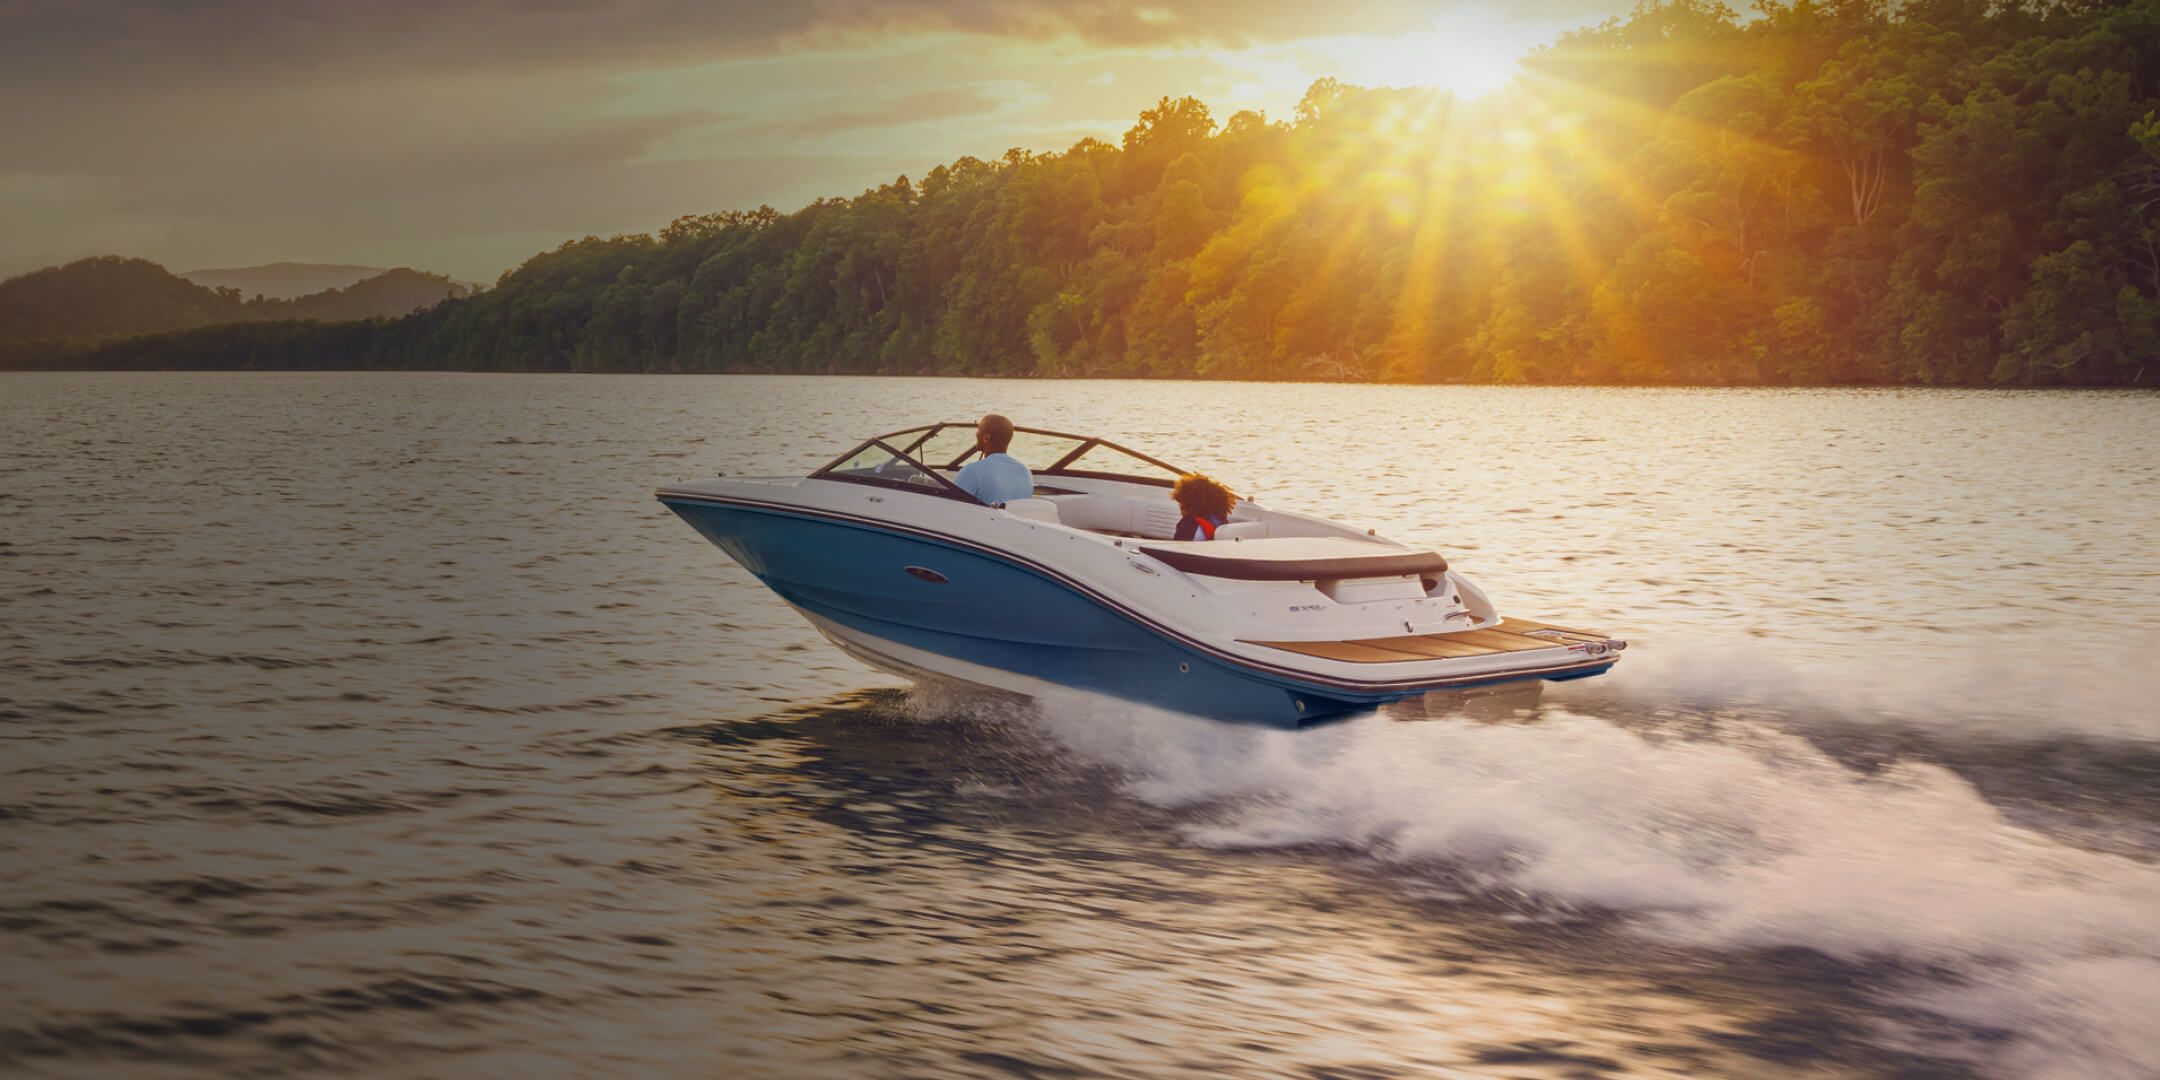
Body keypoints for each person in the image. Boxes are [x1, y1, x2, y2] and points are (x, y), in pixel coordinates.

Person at [952, 414, 1034, 505]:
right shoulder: (1025, 472)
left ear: (986, 438)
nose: (976, 434)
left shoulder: (972, 471)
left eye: (979, 430)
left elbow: (952, 509)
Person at [1171, 473, 1237, 540]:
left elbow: (1176, 546)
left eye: (1181, 505)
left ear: (1189, 505)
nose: (1179, 506)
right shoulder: (1221, 521)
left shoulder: (1188, 524)